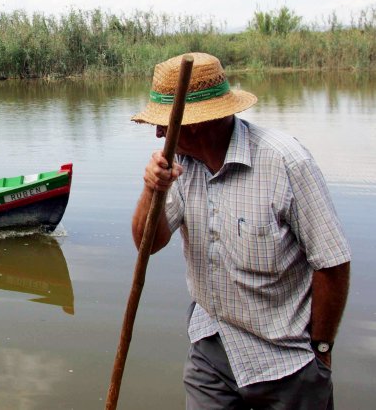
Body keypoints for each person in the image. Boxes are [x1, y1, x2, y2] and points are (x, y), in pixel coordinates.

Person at [130, 52, 351, 409]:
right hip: (212, 348)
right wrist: (153, 190)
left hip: (285, 362)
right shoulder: (179, 167)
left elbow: (332, 263)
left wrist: (321, 350)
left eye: (164, 124)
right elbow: (146, 245)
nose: (157, 133)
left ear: (197, 124)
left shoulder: (285, 162)